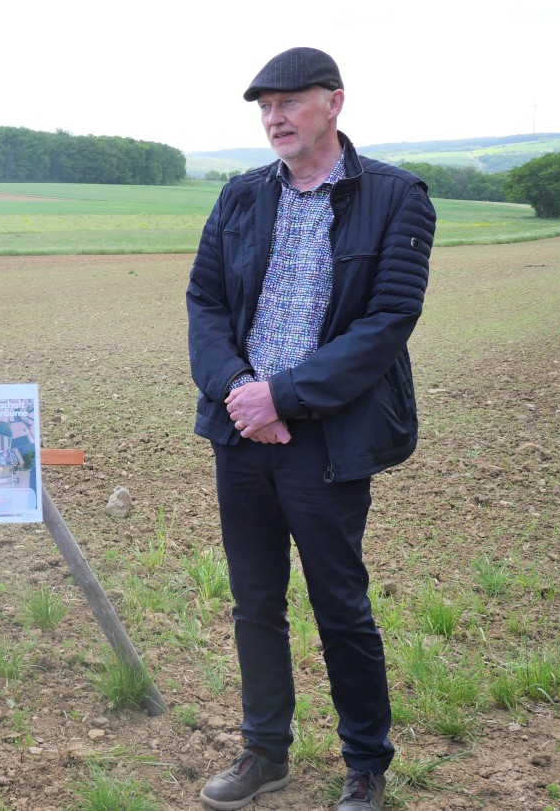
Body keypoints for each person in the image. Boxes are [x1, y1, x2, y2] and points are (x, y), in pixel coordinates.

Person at [186, 48, 435, 811]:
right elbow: (204, 302)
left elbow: (388, 321)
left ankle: (366, 763)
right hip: (240, 434)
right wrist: (236, 391)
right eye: (264, 106)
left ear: (334, 103)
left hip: (327, 439)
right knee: (255, 602)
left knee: (340, 603)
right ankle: (265, 751)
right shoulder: (240, 196)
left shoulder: (397, 198)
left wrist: (282, 397)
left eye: (289, 102)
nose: (274, 117)